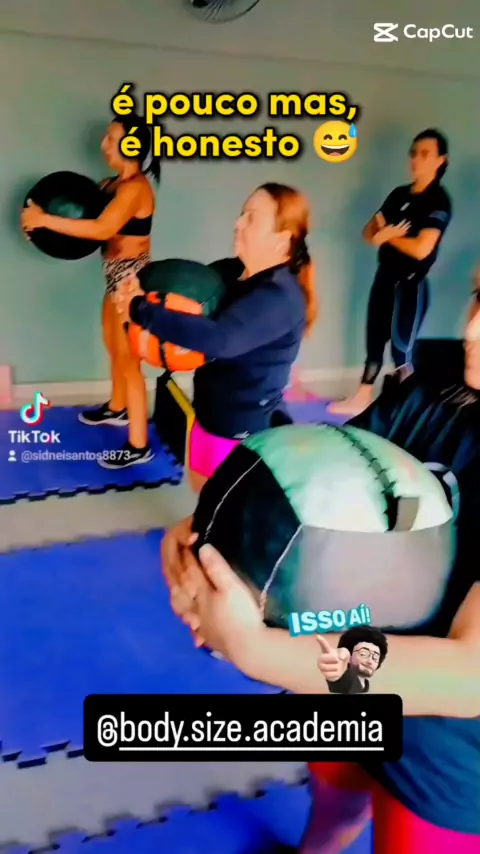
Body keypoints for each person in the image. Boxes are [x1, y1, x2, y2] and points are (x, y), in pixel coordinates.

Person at [161, 275, 480, 853]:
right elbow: (309, 479)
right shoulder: (435, 391)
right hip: (337, 681)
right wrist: (193, 546)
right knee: (333, 805)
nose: (473, 330)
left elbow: (471, 675)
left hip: (447, 758)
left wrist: (255, 649)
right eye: (479, 297)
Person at [115, 183, 318, 491]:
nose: (237, 223)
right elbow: (182, 292)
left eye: (251, 218)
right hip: (209, 410)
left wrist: (139, 309)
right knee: (201, 490)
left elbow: (221, 340)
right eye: (241, 214)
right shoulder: (231, 271)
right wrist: (139, 288)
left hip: (243, 427)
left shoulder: (280, 297)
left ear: (282, 239)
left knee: (225, 506)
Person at [21, 115, 160, 469]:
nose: (103, 145)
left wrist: (43, 220)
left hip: (132, 282)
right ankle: (117, 407)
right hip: (114, 277)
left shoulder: (135, 190)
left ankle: (139, 445)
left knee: (129, 362)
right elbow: (79, 223)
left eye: (110, 139)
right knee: (113, 347)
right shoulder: (109, 186)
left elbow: (101, 229)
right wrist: (40, 231)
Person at [330, 128, 452, 418]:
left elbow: (422, 248)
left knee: (401, 351)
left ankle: (408, 411)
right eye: (413, 153)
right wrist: (382, 235)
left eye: (425, 154)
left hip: (410, 284)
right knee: (374, 341)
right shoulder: (398, 195)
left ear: (440, 160)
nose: (416, 159)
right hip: (384, 276)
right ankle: (362, 396)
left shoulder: (438, 201)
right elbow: (368, 232)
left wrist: (387, 237)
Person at [318, 627, 388, 695]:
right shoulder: (346, 681)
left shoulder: (364, 685)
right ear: (349, 655)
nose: (370, 661)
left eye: (375, 657)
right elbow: (340, 683)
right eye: (363, 654)